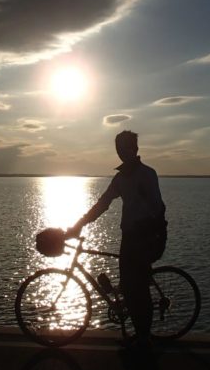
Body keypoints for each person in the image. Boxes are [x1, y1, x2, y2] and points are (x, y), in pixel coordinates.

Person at [65, 130, 167, 351]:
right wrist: (78, 225)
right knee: (129, 288)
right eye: (119, 149)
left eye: (126, 148)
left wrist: (149, 226)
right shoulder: (121, 178)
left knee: (138, 289)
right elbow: (103, 204)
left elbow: (158, 208)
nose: (122, 153)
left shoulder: (148, 174)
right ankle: (137, 333)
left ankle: (144, 338)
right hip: (129, 237)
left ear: (135, 149)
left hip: (146, 237)